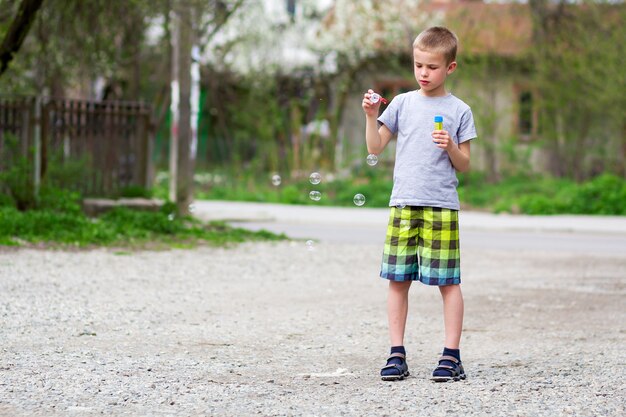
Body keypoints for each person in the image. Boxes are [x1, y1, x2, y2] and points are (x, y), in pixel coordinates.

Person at [361, 26, 477, 382]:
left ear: (450, 68)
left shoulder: (459, 111)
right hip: (403, 204)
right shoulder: (402, 103)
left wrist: (451, 147)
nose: (423, 74)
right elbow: (375, 147)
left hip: (441, 206)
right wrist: (369, 116)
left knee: (448, 283)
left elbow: (465, 163)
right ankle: (396, 354)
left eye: (432, 67)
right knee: (397, 280)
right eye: (418, 66)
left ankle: (451, 356)